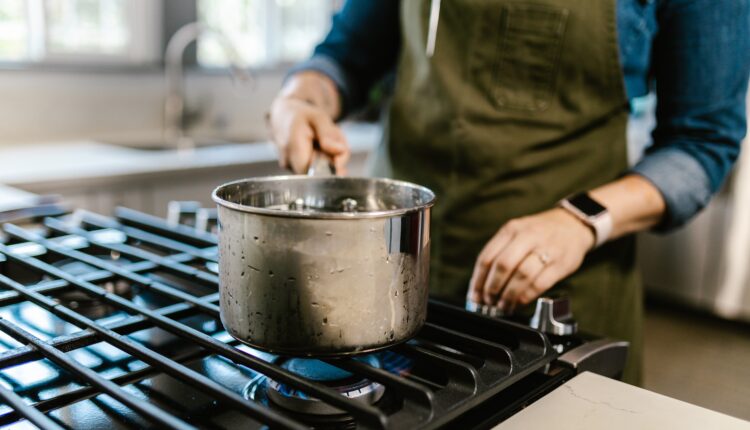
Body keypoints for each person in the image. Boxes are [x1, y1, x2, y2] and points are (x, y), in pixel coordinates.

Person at [267, 0, 750, 384]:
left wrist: (580, 219)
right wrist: (301, 99)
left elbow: (702, 140)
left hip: (559, 297)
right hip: (390, 279)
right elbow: (346, 54)